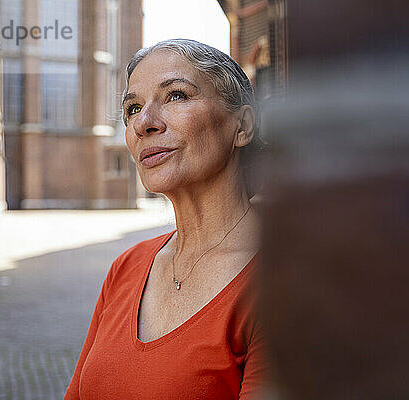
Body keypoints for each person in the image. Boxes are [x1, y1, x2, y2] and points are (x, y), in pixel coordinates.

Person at [64, 39, 266, 400]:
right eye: (133, 108)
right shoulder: (125, 268)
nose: (144, 123)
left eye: (175, 95)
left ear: (242, 127)